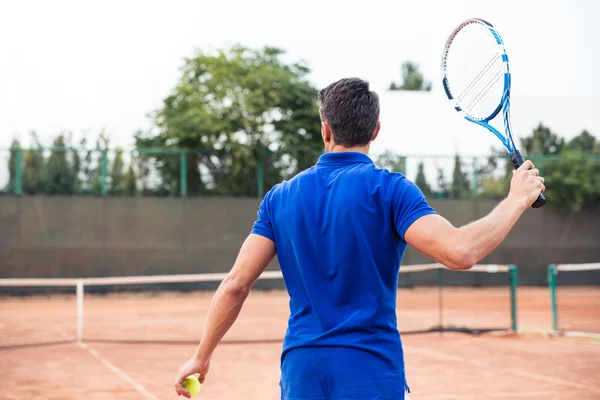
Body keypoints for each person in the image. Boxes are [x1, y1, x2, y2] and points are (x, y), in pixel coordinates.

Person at [173, 77, 545, 399]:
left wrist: (202, 355)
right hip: (369, 369)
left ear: (325, 130)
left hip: (303, 371)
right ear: (376, 130)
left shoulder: (279, 197)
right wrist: (515, 200)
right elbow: (460, 253)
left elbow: (236, 284)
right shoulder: (391, 190)